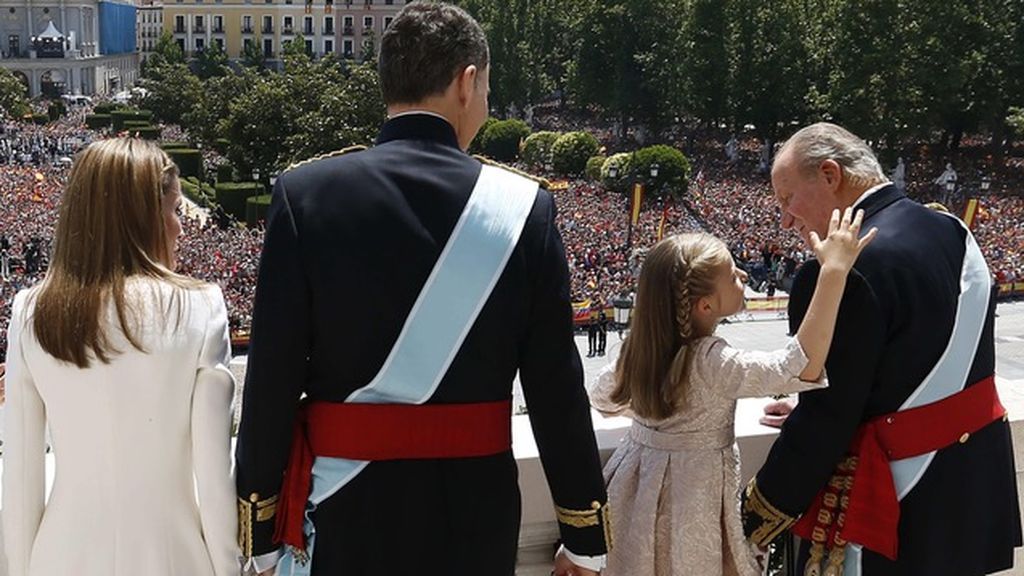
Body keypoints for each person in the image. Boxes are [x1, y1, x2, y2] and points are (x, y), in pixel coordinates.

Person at [234, 4, 610, 576]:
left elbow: (271, 382)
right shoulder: (523, 209)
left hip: (342, 512)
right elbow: (556, 391)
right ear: (466, 82)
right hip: (473, 515)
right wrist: (584, 533)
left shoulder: (303, 194)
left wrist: (259, 530)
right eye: (487, 86)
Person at [742, 123, 1021, 575]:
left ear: (830, 175)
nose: (787, 220)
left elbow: (827, 418)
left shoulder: (835, 274)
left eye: (786, 198)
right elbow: (908, 366)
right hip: (971, 491)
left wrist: (758, 510)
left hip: (895, 512)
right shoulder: (950, 229)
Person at [1, 138, 238, 576]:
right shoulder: (202, 307)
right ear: (142, 217)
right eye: (173, 210)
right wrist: (229, 566)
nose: (181, 227)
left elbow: (20, 478)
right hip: (174, 558)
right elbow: (214, 472)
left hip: (60, 557)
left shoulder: (29, 312)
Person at [589, 215, 872, 576]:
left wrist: (661, 422)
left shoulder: (637, 350)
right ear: (704, 305)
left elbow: (603, 398)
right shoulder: (712, 362)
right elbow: (800, 366)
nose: (742, 276)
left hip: (632, 492)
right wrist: (832, 273)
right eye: (733, 273)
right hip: (693, 502)